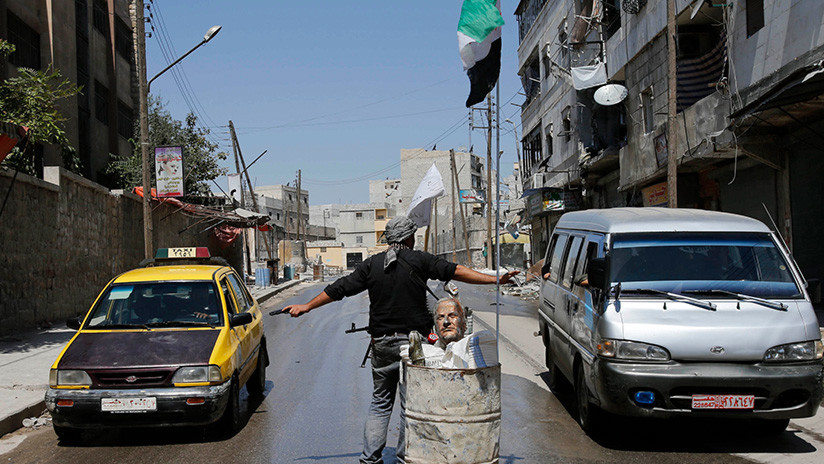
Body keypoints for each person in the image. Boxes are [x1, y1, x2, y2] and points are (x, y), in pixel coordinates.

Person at [281, 216, 518, 464]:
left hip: (382, 343)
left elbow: (340, 288)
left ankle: (370, 458)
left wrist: (307, 305)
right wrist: (495, 279)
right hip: (414, 345)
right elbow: (455, 272)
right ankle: (407, 456)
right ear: (408, 238)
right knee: (411, 404)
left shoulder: (371, 265)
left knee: (380, 403)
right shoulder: (420, 260)